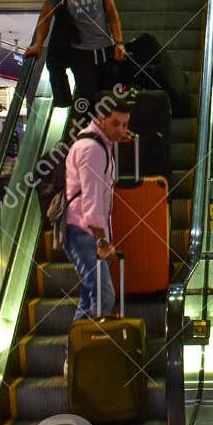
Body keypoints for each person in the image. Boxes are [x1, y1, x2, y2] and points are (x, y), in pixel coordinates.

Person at [24, 0, 127, 122]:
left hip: (105, 50)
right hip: (80, 53)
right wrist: (38, 44)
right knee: (91, 101)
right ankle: (92, 139)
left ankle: (110, 138)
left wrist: (119, 43)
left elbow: (111, 13)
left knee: (110, 99)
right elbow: (45, 19)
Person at [62, 93, 131, 326]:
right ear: (100, 118)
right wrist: (102, 243)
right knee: (103, 297)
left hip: (83, 230)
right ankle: (82, 355)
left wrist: (116, 137)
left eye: (125, 124)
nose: (121, 129)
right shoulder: (93, 149)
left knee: (90, 297)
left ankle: (75, 358)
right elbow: (91, 201)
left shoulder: (99, 143)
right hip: (83, 232)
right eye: (115, 124)